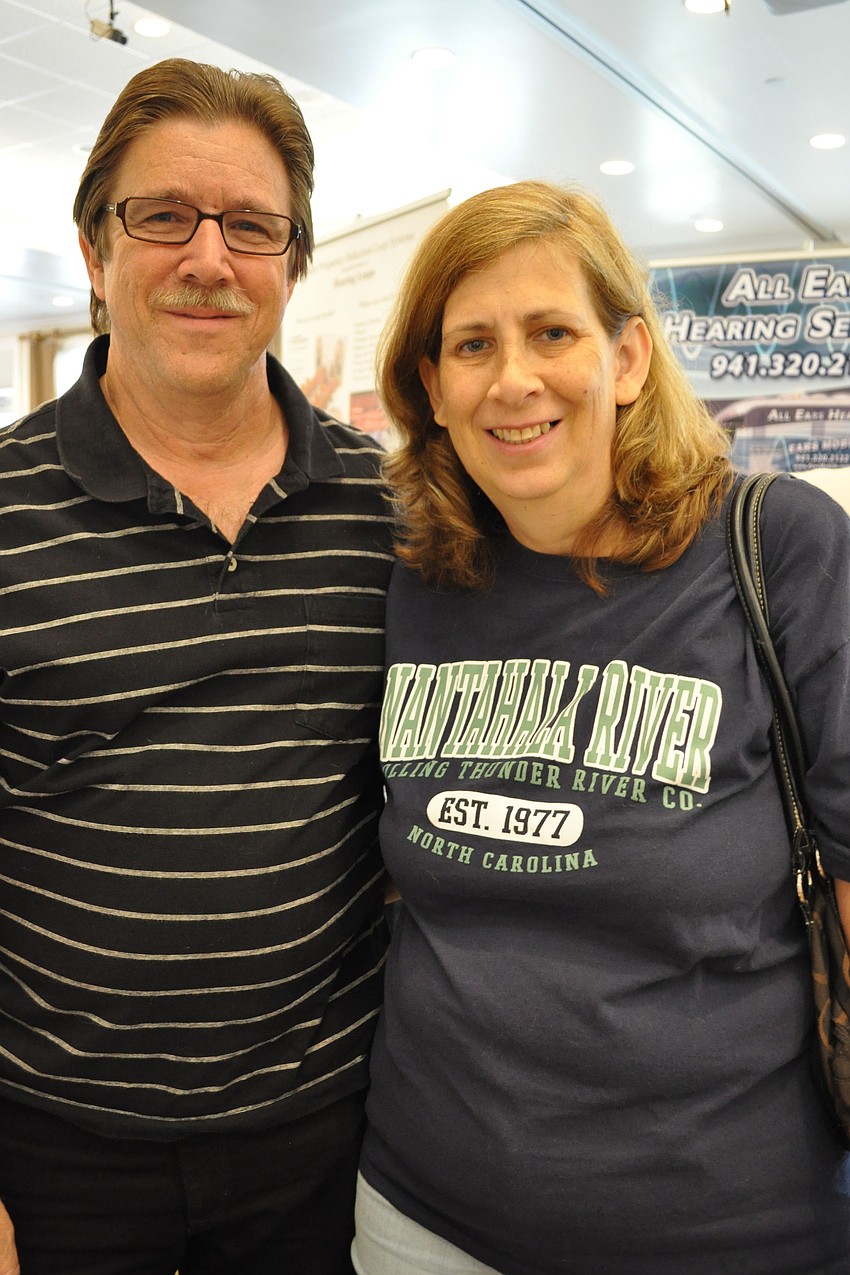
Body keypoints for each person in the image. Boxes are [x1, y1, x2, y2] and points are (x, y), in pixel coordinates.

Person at [350, 180, 850, 1275]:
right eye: (471, 344)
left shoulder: (781, 551)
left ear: (626, 359)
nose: (512, 378)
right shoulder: (413, 581)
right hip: (421, 1216)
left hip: (723, 1230)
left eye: (551, 332)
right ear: (431, 387)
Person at [0, 58, 393, 1275]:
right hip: (52, 1143)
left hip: (322, 1129)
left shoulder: (387, 514)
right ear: (93, 246)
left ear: (292, 261)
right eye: (163, 215)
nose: (208, 259)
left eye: (253, 226)